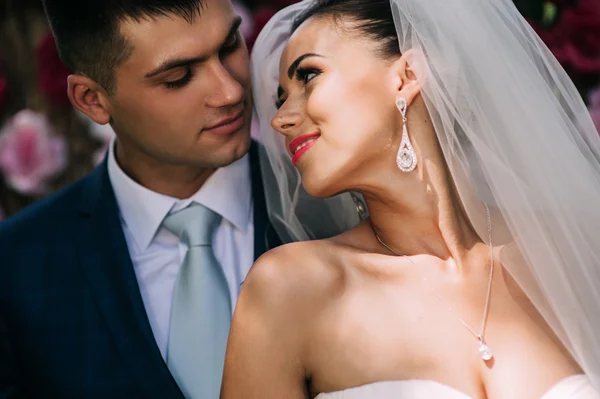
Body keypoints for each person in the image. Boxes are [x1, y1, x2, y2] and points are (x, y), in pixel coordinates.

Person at [221, 0, 600, 398]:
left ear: (407, 75)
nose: (281, 119)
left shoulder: (571, 248)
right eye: (281, 99)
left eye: (309, 76)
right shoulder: (291, 288)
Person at [0, 0, 280, 397]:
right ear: (92, 100)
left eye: (230, 45)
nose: (230, 91)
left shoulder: (335, 207)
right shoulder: (14, 270)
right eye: (179, 77)